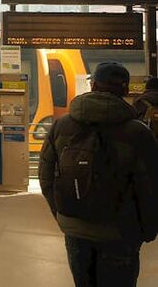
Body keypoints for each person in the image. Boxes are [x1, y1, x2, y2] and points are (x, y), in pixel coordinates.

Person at [39, 61, 158, 287]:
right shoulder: (138, 133)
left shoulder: (62, 126)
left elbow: (45, 177)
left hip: (76, 229)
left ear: (93, 86)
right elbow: (150, 186)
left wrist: (63, 215)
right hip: (121, 232)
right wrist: (147, 229)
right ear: (125, 90)